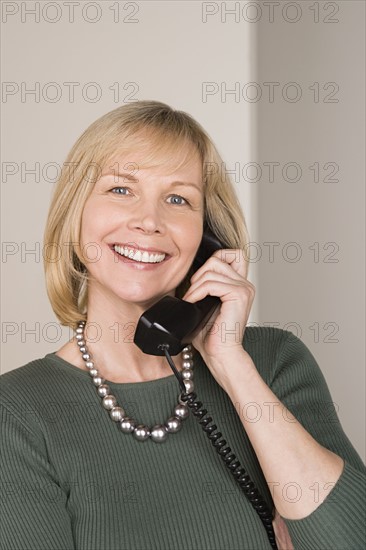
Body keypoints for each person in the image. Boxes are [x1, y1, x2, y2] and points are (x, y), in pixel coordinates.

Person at [0, 101, 365, 550]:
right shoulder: (16, 412)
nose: (150, 221)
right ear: (75, 216)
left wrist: (231, 364)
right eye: (121, 189)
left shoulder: (273, 363)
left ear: (207, 239)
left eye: (178, 199)